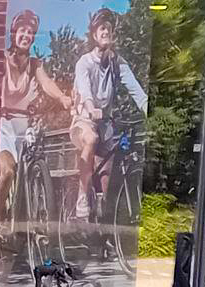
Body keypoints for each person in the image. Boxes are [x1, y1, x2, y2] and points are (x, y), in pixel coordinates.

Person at [70, 8, 148, 219]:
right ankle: (82, 195)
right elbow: (85, 91)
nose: (106, 32)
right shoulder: (84, 62)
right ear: (94, 35)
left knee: (108, 175)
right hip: (84, 120)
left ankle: (105, 219)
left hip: (105, 123)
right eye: (102, 28)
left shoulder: (117, 63)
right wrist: (91, 108)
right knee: (91, 138)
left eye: (109, 29)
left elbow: (137, 91)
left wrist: (149, 110)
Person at [0, 9, 71, 225]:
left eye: (30, 32)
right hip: (3, 124)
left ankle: (27, 216)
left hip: (24, 124)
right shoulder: (2, 60)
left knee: (30, 166)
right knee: (8, 171)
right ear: (14, 33)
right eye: (23, 31)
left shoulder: (34, 64)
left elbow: (46, 83)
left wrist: (62, 97)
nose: (26, 36)